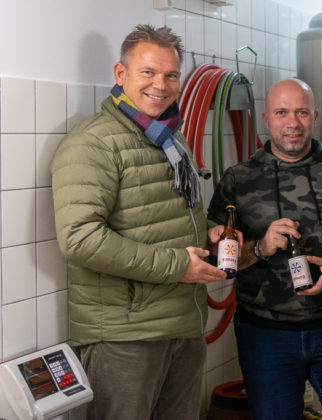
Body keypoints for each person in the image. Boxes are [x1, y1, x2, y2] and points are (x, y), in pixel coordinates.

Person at [51, 24, 241, 419]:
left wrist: (207, 233)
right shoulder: (94, 142)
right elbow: (80, 239)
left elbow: (167, 217)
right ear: (121, 74)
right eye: (148, 72)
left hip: (182, 324)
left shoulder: (170, 139)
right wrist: (177, 266)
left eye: (171, 75)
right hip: (125, 337)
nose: (161, 85)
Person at [207, 78, 322, 419]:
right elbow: (219, 260)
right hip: (265, 334)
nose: (292, 123)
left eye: (301, 112)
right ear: (266, 118)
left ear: (315, 116)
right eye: (282, 112)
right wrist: (260, 247)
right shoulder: (238, 180)